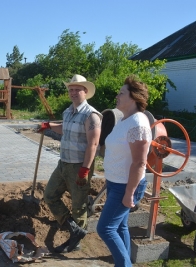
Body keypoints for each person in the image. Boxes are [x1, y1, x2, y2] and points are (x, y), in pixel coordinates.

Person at [39, 74, 102, 253]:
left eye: (77, 90)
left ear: (85, 91)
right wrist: (49, 125)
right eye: (71, 90)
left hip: (79, 166)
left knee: (79, 205)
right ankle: (74, 229)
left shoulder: (91, 116)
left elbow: (93, 144)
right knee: (50, 195)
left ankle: (76, 242)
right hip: (63, 164)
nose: (73, 93)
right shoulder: (68, 112)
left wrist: (85, 169)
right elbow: (64, 129)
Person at [96, 75, 152, 266]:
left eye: (121, 93)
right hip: (116, 183)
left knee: (105, 229)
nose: (117, 96)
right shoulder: (124, 120)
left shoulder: (138, 123)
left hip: (126, 186)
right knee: (119, 227)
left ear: (134, 97)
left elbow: (139, 163)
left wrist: (129, 194)